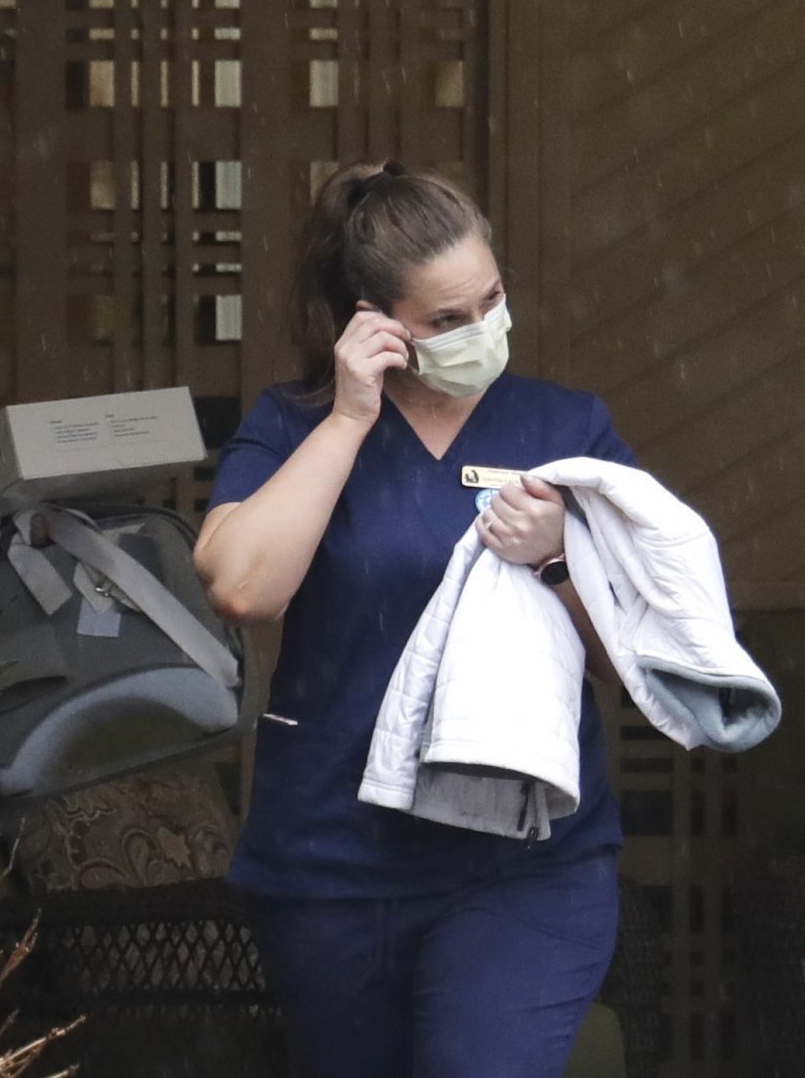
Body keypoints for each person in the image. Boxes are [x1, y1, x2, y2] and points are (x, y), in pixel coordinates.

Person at [193, 162, 631, 1078]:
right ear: (375, 323)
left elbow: (639, 656)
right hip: (333, 861)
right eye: (447, 319)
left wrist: (558, 557)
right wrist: (350, 418)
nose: (482, 330)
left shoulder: (566, 426)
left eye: (492, 300)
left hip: (524, 864)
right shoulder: (295, 425)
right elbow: (241, 586)